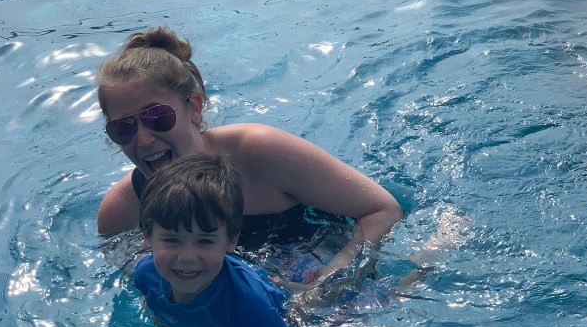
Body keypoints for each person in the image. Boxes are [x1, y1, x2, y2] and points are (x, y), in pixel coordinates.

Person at [96, 26, 404, 291]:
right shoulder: (121, 214)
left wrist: (323, 287)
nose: (143, 139)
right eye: (123, 127)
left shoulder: (259, 153)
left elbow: (382, 210)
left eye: (157, 117)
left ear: (195, 108)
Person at [134, 152, 289, 327]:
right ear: (147, 237)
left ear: (231, 241)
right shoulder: (145, 275)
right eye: (172, 240)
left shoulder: (251, 305)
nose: (187, 257)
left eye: (204, 241)